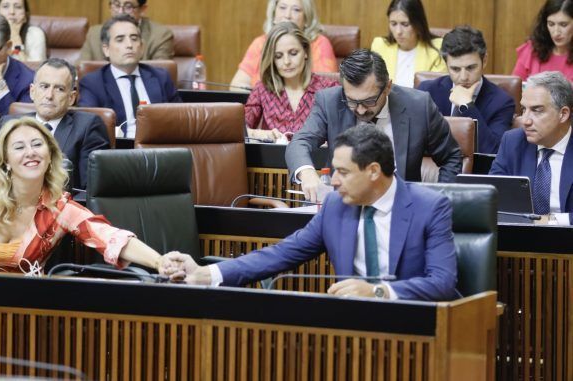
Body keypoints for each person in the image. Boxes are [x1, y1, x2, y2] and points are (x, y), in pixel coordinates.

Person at [164, 125, 459, 301]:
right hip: (353, 330)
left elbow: (441, 282)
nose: (334, 182)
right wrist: (208, 273)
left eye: (343, 172)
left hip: (418, 328)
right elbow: (279, 255)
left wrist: (377, 292)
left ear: (373, 171)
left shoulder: (428, 207)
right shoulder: (335, 207)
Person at [0, 117, 176, 274]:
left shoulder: (59, 207)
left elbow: (111, 237)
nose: (30, 152)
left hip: (24, 310)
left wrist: (159, 261)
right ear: (6, 160)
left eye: (37, 145)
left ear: (49, 156)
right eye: (19, 147)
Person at [286, 49, 462, 202]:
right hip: (344, 205)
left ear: (387, 87)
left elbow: (451, 157)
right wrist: (307, 173)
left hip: (402, 208)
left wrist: (439, 200)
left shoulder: (419, 106)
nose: (361, 110)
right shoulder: (329, 101)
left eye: (369, 101)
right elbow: (299, 142)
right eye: (353, 101)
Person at [0, 58, 110, 190]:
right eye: (44, 86)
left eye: (59, 89)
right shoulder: (9, 124)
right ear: (32, 91)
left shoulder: (88, 127)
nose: (49, 95)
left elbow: (90, 189)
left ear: (71, 98)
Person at [490, 71, 573, 225]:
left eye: (536, 110)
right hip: (520, 240)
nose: (525, 121)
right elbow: (493, 199)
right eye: (523, 110)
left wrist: (548, 221)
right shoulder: (512, 142)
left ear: (563, 114)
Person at [78, 14, 180, 138]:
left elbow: (179, 119)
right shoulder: (92, 83)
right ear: (106, 50)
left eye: (134, 38)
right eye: (120, 39)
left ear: (142, 47)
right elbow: (89, 128)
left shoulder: (161, 77)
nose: (129, 45)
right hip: (117, 151)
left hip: (158, 148)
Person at [418, 26, 515, 154]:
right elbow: (414, 142)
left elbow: (493, 151)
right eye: (455, 69)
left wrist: (466, 106)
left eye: (470, 68)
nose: (463, 77)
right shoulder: (428, 91)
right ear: (445, 63)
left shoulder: (501, 102)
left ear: (484, 60)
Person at [245, 22, 338, 142]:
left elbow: (346, 133)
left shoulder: (329, 88)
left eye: (293, 53)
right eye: (278, 56)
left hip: (315, 159)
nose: (287, 61)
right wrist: (259, 134)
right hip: (271, 159)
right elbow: (239, 130)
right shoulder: (262, 89)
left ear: (305, 52)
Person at [230, 0, 337, 92]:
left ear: (306, 18)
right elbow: (236, 85)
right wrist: (261, 97)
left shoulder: (320, 43)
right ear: (273, 13)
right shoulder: (260, 43)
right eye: (282, 7)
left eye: (296, 9)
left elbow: (326, 90)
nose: (287, 15)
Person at [370, 0, 446, 88]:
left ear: (418, 24)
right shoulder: (379, 45)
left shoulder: (438, 47)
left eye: (405, 24)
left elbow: (435, 89)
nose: (398, 31)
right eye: (393, 24)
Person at [78, 0, 173, 62]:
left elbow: (160, 75)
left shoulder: (160, 35)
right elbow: (80, 70)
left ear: (142, 9)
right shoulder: (94, 33)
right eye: (116, 4)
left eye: (128, 6)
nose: (120, 12)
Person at [513, 0, 573, 82]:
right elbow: (514, 90)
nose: (556, 32)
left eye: (563, 25)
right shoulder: (532, 50)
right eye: (551, 24)